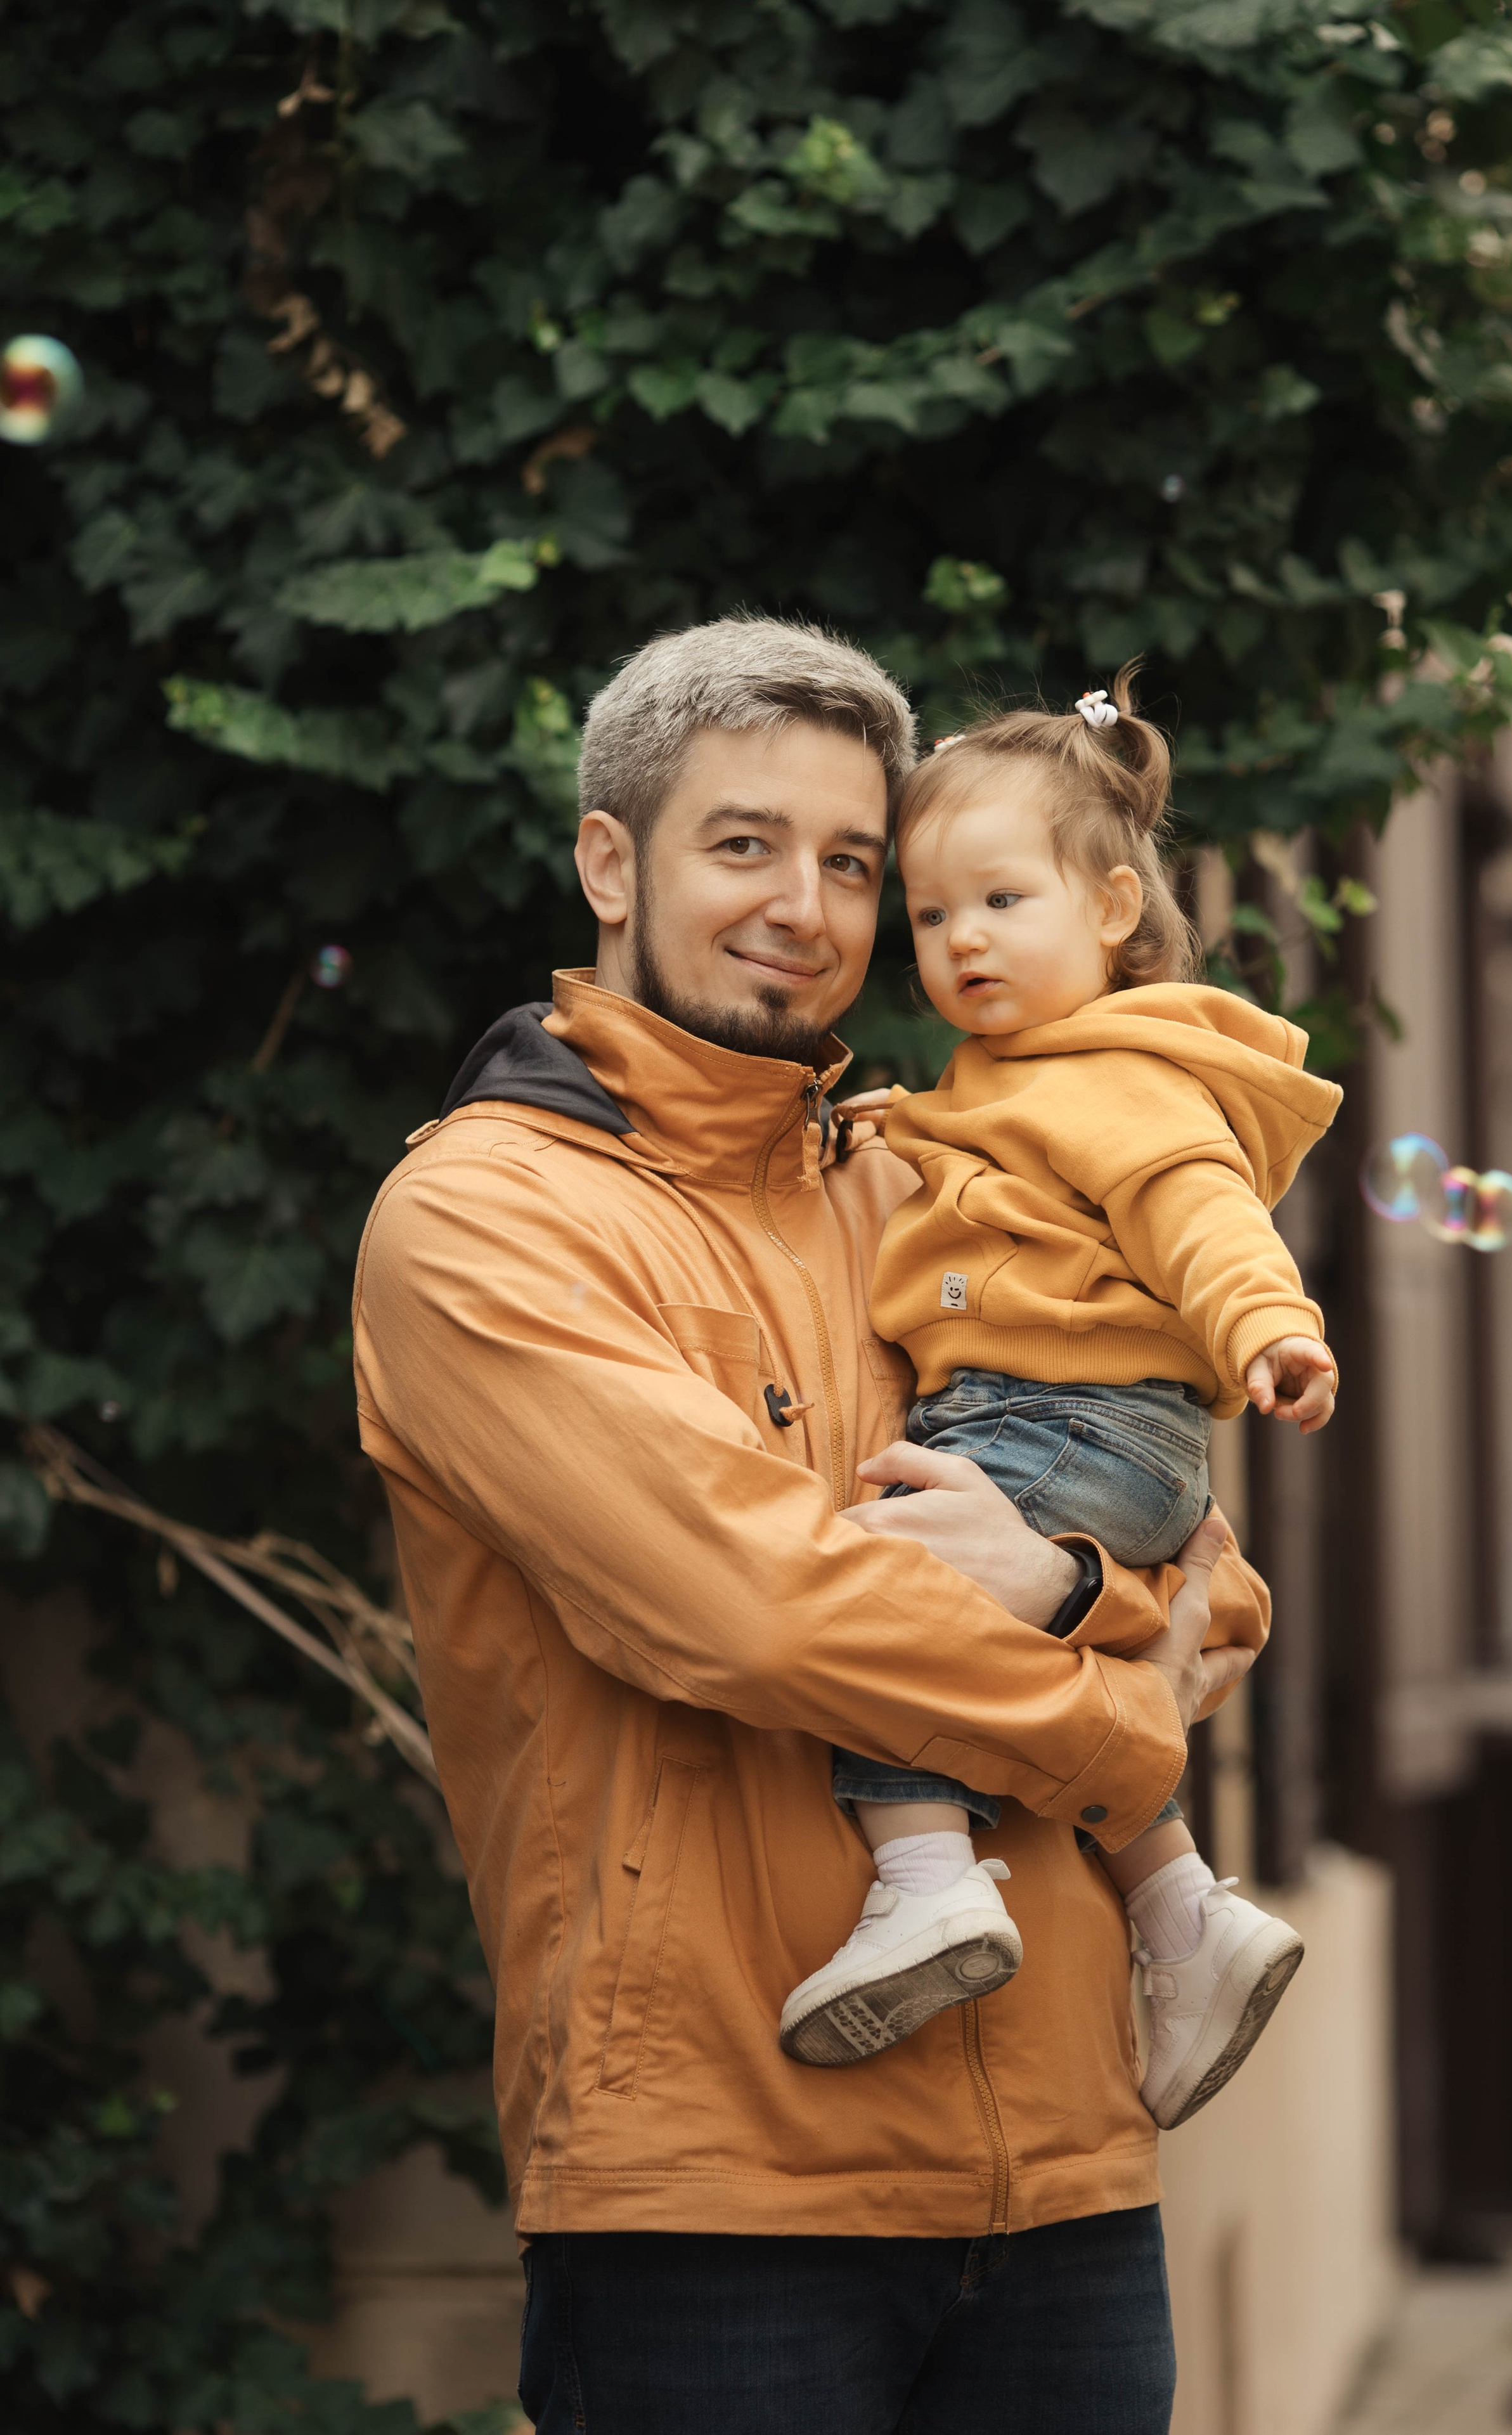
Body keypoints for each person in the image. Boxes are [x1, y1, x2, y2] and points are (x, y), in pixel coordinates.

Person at [351, 617, 1270, 2435]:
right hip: (722, 2192)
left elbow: (1217, 1583)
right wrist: (1115, 1712)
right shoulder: (481, 1221)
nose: (808, 904)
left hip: (1069, 2172)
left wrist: (1071, 1572)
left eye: (854, 861)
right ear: (612, 863)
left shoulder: (938, 1180)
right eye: (745, 843)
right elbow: (765, 1616)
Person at [779, 676, 1341, 2132]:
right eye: (928, 914)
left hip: (1055, 1420)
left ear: (1107, 907)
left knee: (878, 1596)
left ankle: (925, 1881)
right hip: (1109, 1444)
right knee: (973, 1616)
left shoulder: (1124, 1077)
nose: (959, 939)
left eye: (1000, 900)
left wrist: (1272, 1327)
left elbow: (1204, 1219)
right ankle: (1181, 1913)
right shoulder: (1005, 1078)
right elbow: (979, 1167)